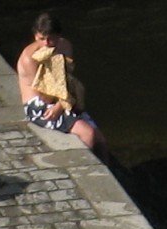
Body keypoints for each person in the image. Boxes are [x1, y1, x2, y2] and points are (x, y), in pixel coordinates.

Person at [15, 12, 103, 152]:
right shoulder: (29, 59)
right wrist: (62, 104)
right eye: (41, 38)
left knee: (100, 140)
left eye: (50, 39)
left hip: (62, 98)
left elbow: (67, 78)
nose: (46, 43)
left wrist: (63, 103)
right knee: (88, 134)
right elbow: (44, 95)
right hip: (40, 105)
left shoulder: (65, 46)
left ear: (58, 36)